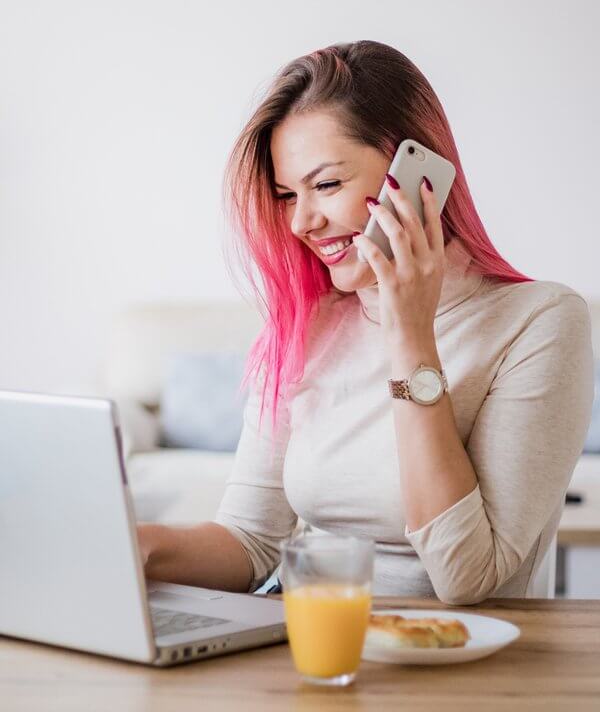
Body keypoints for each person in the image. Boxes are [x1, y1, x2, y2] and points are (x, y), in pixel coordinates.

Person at [137, 40, 594, 604]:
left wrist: (411, 336)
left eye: (326, 185)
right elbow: (251, 541)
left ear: (416, 173)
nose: (302, 221)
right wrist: (137, 548)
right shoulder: (309, 323)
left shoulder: (541, 322)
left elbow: (468, 577)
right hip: (316, 652)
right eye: (286, 195)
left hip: (462, 672)